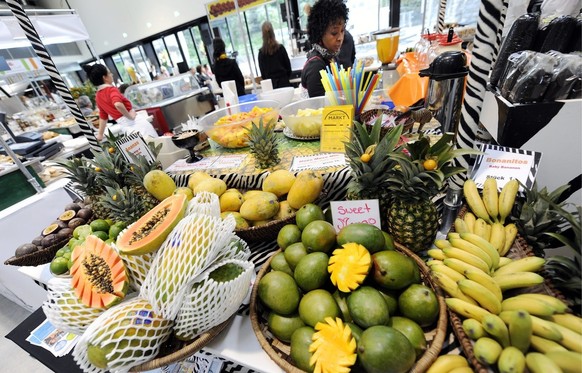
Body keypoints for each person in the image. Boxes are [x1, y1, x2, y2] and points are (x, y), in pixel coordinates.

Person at [84, 64, 158, 141]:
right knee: (156, 146)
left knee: (142, 150)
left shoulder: (98, 96)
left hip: (126, 128)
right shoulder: (111, 89)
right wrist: (129, 116)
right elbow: (118, 104)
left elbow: (103, 116)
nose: (111, 74)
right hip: (136, 123)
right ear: (104, 77)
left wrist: (100, 134)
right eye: (109, 73)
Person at [300, 0, 349, 98]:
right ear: (320, 33)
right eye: (334, 33)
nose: (340, 38)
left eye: (342, 31)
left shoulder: (332, 57)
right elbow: (319, 109)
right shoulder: (316, 67)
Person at [258, 21, 292, 89]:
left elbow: (263, 75)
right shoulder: (281, 48)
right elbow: (288, 68)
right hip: (284, 83)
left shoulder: (261, 53)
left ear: (262, 35)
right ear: (273, 33)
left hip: (271, 86)